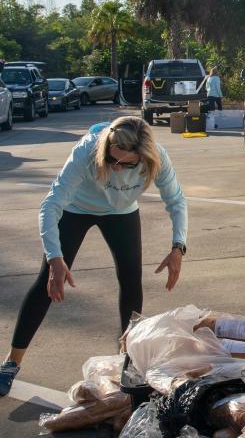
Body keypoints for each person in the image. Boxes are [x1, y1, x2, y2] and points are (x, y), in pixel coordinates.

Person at [0, 116, 188, 396]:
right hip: (76, 209)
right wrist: (55, 258)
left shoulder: (157, 158)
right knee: (47, 283)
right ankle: (10, 364)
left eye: (125, 164)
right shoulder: (87, 150)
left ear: (143, 158)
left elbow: (176, 200)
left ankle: (128, 360)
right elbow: (51, 204)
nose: (116, 168)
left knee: (131, 280)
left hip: (121, 213)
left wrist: (178, 247)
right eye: (111, 161)